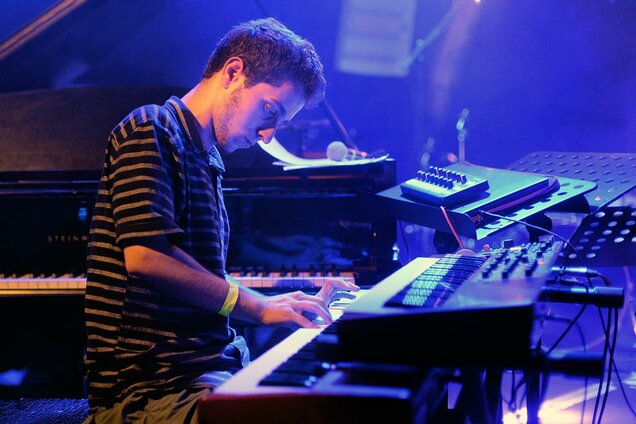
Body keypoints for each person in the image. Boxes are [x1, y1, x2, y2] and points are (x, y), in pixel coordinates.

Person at [83, 17, 358, 423]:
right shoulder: (152, 128)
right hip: (148, 390)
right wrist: (257, 307)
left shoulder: (205, 158)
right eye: (269, 110)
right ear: (233, 73)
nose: (268, 135)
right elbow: (147, 257)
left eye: (279, 123)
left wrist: (281, 300)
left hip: (201, 374)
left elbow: (204, 276)